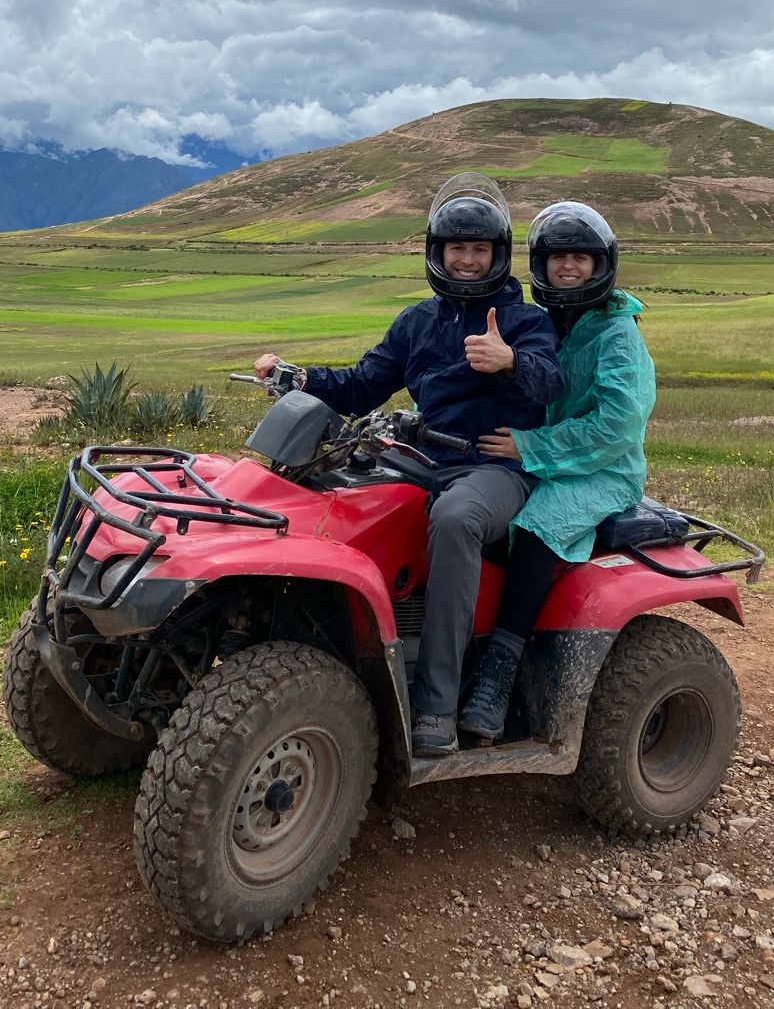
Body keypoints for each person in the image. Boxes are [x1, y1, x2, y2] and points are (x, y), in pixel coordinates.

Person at [253, 174, 563, 757]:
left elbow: (552, 383)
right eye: (458, 249)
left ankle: (436, 705)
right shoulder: (418, 322)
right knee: (340, 500)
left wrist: (510, 361)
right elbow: (362, 384)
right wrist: (296, 377)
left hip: (494, 469)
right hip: (422, 459)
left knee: (456, 520)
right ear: (437, 252)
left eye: (480, 250)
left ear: (499, 256)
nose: (468, 261)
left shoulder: (524, 322)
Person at [459, 199, 656, 743]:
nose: (568, 267)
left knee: (537, 524)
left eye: (581, 258)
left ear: (601, 264)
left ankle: (499, 672)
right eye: (557, 258)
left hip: (604, 470)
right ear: (539, 265)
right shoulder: (547, 322)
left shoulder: (618, 335)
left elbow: (615, 427)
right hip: (544, 454)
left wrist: (530, 446)